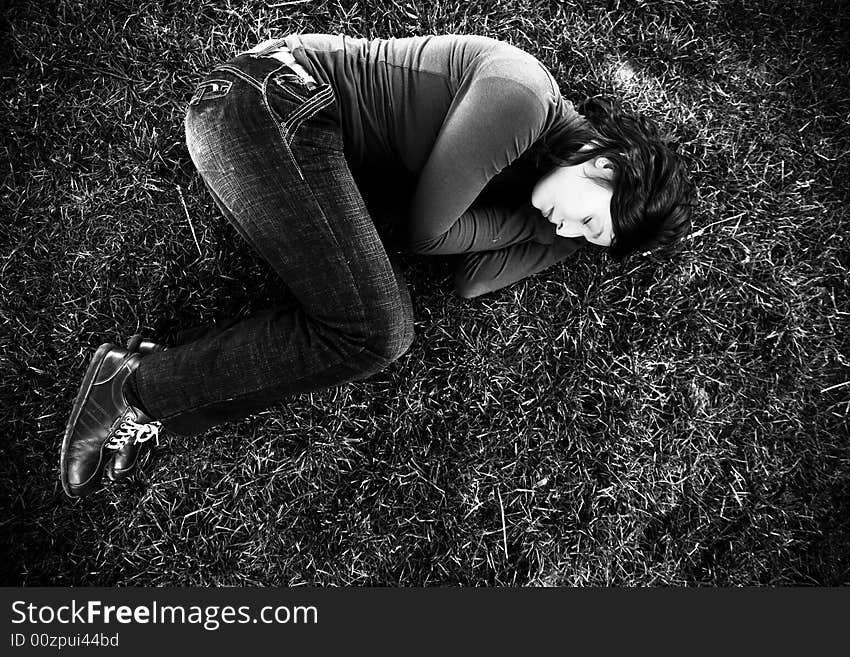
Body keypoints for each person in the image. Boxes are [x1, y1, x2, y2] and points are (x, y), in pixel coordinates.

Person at [59, 33, 694, 498]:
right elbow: (428, 234)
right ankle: (134, 390)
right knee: (378, 332)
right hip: (268, 104)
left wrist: (558, 242)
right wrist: (537, 226)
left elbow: (472, 280)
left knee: (375, 332)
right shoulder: (521, 100)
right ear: (604, 165)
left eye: (588, 240)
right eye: (587, 219)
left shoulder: (534, 175)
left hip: (299, 134)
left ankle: (157, 402)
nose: (569, 230)